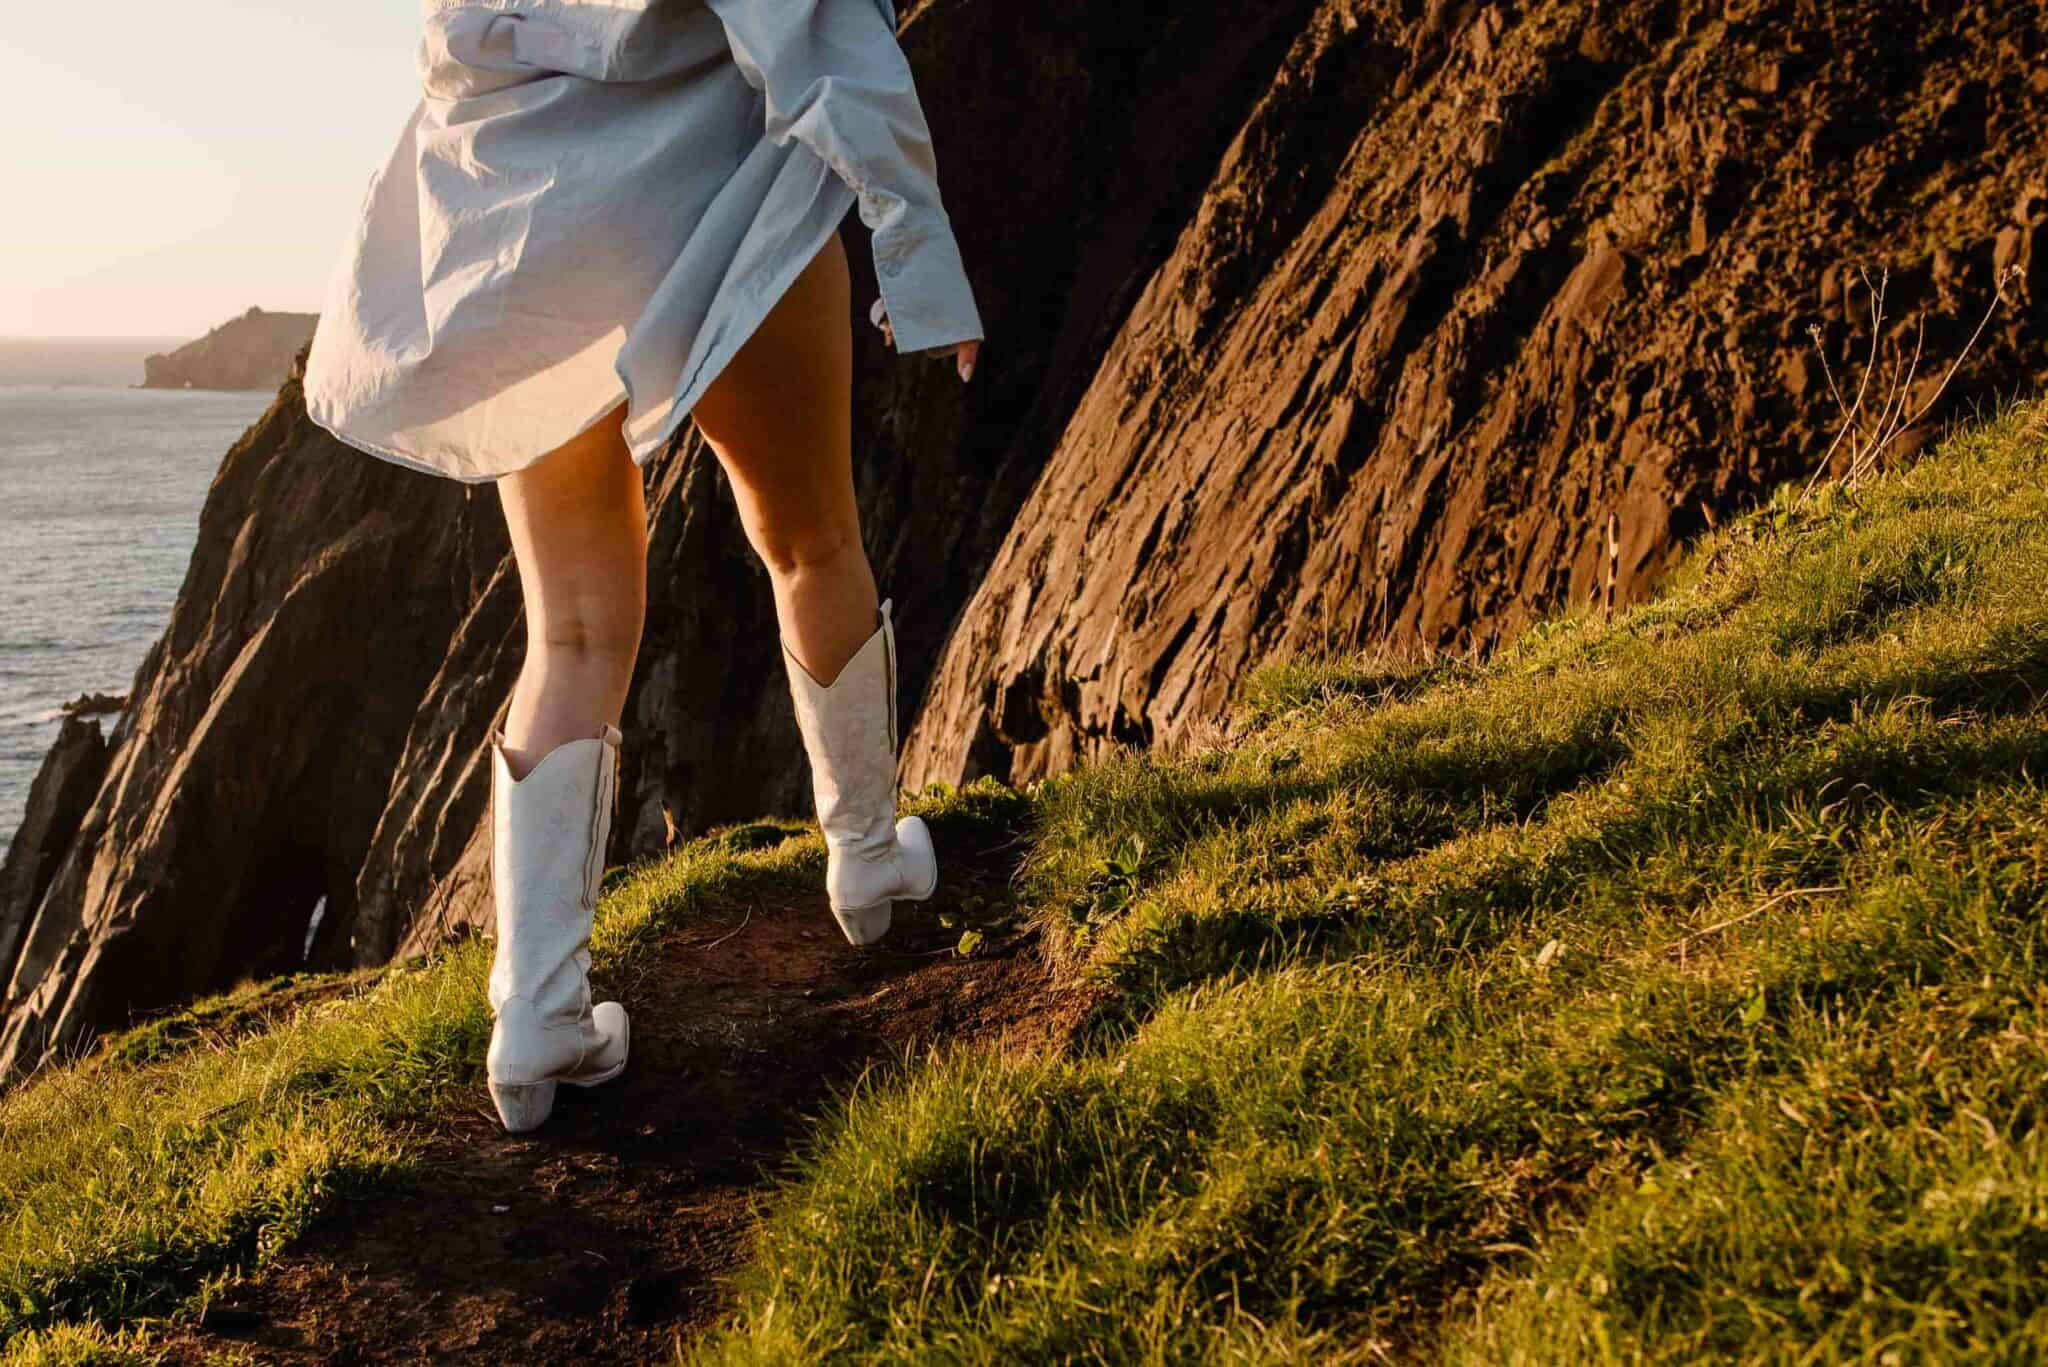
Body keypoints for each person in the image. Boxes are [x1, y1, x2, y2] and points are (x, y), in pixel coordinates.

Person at [302, 0, 984, 1134]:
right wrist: (922, 256)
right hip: (713, 198)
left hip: (530, 235)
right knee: (810, 537)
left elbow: (456, 57)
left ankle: (535, 1018)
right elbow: (806, 33)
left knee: (568, 628)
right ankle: (867, 861)